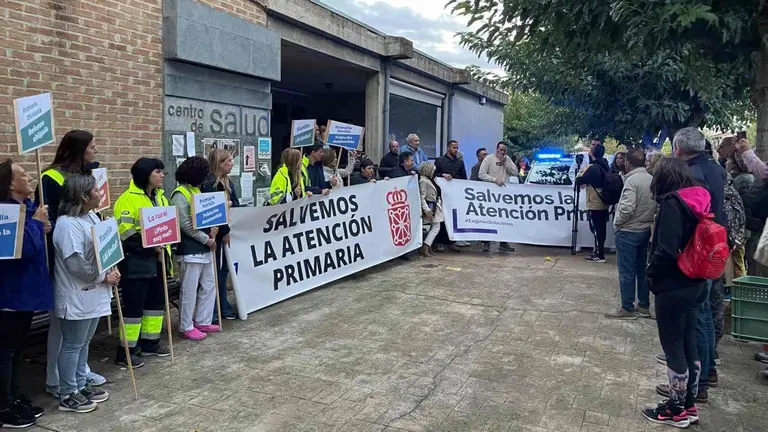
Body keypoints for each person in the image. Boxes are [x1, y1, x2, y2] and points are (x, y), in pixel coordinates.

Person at [656, 128, 726, 404]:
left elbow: (667, 245)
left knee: (690, 327)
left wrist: (654, 277)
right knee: (704, 316)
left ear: (678, 150)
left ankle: (689, 390)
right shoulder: (716, 170)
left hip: (690, 261)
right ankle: (706, 374)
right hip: (712, 252)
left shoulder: (687, 182)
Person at [641, 158, 708, 429]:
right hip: (696, 282)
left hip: (673, 285)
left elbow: (666, 250)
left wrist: (651, 275)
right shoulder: (698, 201)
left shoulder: (672, 204)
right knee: (689, 344)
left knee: (673, 349)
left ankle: (675, 409)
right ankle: (689, 404)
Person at [39, 130, 106, 398]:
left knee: (81, 337)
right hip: (65, 260)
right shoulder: (51, 177)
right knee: (65, 329)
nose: (96, 150)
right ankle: (58, 381)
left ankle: (78, 376)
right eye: (92, 146)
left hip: (89, 264)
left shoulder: (89, 174)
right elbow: (53, 220)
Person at [53, 174, 117, 413]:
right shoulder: (67, 225)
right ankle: (67, 393)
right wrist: (103, 276)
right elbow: (76, 264)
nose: (100, 193)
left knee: (84, 342)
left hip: (94, 292)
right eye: (96, 190)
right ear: (83, 196)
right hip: (76, 294)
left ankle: (80, 384)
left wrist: (112, 267)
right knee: (72, 344)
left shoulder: (91, 216)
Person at [0, 160, 52, 427]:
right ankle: (4, 405)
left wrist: (40, 225)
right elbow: (21, 250)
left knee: (17, 348)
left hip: (28, 292)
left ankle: (14, 394)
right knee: (7, 351)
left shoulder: (28, 208)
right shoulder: (5, 213)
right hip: (10, 295)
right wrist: (35, 224)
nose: (30, 177)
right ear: (10, 183)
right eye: (23, 175)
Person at [113, 158, 173, 368]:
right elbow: (126, 234)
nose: (162, 175)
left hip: (157, 261)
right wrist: (151, 246)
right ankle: (126, 351)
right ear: (145, 174)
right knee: (134, 309)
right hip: (136, 264)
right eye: (158, 171)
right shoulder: (127, 200)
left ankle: (150, 342)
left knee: (155, 305)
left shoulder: (161, 198)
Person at [171, 157, 219, 341]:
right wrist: (206, 239)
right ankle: (185, 325)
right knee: (189, 289)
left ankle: (203, 319)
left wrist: (213, 229)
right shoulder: (180, 194)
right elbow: (184, 223)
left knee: (209, 284)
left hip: (206, 245)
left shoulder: (196, 190)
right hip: (191, 248)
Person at [605, 150, 655, 320]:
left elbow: (627, 207)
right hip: (644, 229)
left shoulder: (632, 180)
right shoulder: (651, 179)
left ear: (627, 163)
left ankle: (627, 307)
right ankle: (644, 306)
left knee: (627, 271)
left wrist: (617, 222)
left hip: (628, 231)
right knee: (641, 270)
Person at [202, 149, 240, 323]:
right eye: (229, 161)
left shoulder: (228, 181)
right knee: (215, 272)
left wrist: (229, 203)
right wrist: (224, 232)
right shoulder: (209, 184)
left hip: (228, 231)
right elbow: (214, 212)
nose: (232, 163)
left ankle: (223, 306)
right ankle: (214, 311)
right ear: (220, 163)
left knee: (224, 272)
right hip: (216, 234)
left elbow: (236, 203)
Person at [478, 141, 518, 252]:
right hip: (490, 194)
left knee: (503, 218)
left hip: (503, 195)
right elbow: (481, 174)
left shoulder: (507, 159)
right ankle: (486, 243)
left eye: (504, 150)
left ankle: (503, 242)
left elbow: (515, 172)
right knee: (488, 218)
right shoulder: (489, 159)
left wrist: (506, 163)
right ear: (496, 149)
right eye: (501, 150)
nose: (502, 152)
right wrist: (494, 180)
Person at [575, 142, 610, 263]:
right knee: (601, 228)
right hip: (603, 200)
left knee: (596, 228)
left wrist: (579, 172)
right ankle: (599, 252)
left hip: (595, 201)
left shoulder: (592, 167)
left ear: (592, 153)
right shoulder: (605, 165)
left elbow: (580, 180)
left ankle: (599, 254)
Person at [433, 140, 466, 252]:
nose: (455, 150)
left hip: (455, 195)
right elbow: (433, 174)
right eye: (453, 148)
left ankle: (451, 241)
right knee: (442, 218)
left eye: (457, 148)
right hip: (442, 193)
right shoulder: (440, 160)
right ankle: (440, 242)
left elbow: (464, 178)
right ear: (448, 148)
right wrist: (443, 175)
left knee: (453, 218)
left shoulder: (460, 162)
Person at [418, 162, 443, 257]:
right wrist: (427, 210)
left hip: (435, 204)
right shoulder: (423, 181)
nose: (434, 172)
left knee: (435, 226)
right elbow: (422, 197)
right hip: (430, 206)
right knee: (436, 227)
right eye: (432, 170)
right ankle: (426, 245)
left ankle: (428, 246)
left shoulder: (430, 179)